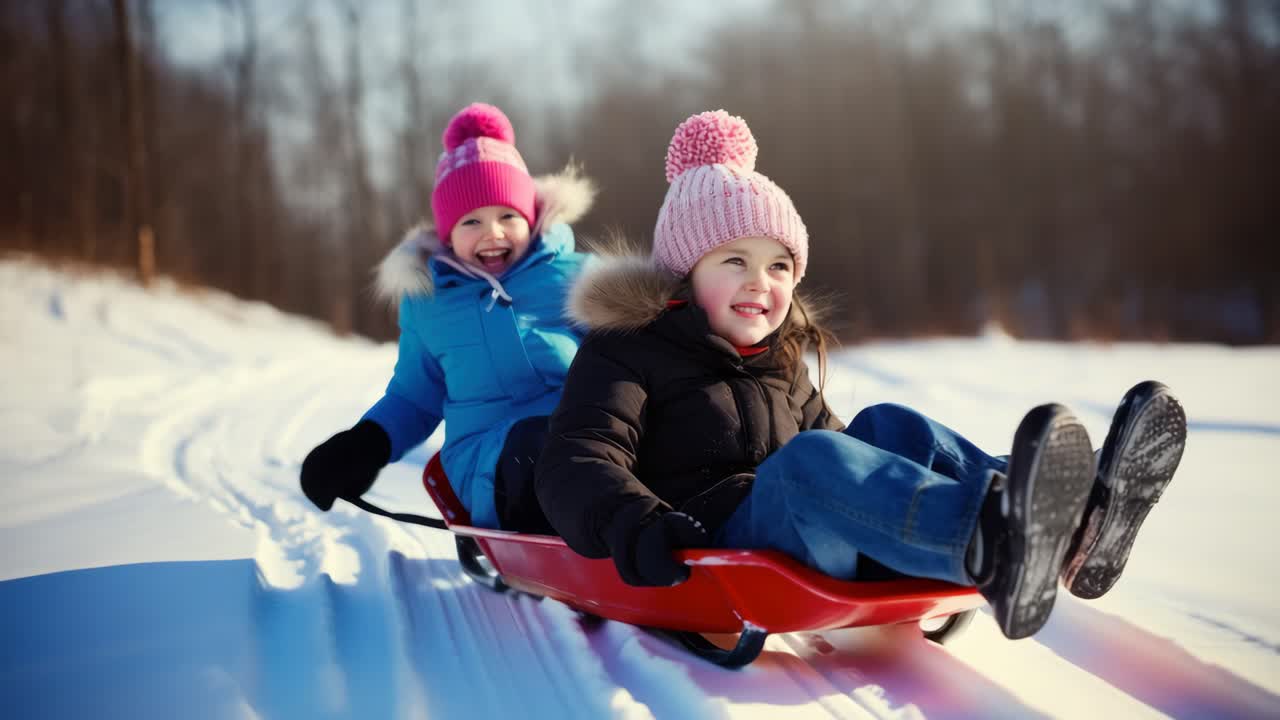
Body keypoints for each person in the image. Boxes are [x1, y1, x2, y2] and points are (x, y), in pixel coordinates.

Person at [534, 110, 1187, 640]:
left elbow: (855, 459)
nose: (761, 282)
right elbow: (576, 459)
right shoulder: (627, 351)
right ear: (683, 273)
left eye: (780, 266)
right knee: (811, 461)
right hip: (716, 544)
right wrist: (638, 524)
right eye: (734, 260)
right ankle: (990, 537)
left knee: (887, 427)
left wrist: (883, 469)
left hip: (806, 535)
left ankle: (1070, 514)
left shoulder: (778, 362)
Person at [300, 102, 596, 532]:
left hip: (590, 439)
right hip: (489, 461)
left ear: (531, 217)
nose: (492, 233)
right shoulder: (429, 303)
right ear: (447, 233)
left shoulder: (576, 278)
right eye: (471, 221)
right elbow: (414, 396)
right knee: (537, 447)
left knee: (604, 443)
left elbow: (631, 352)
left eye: (507, 216)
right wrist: (365, 445)